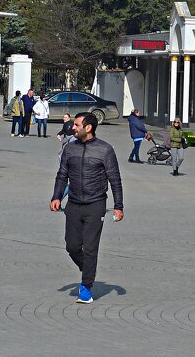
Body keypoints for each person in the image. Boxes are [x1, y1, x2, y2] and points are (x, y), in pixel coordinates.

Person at [50, 112, 124, 304]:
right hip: (73, 203)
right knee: (72, 246)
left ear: (88, 128)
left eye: (76, 125)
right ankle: (89, 269)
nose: (73, 128)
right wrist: (57, 196)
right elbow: (62, 175)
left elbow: (114, 179)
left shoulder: (105, 150)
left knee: (90, 248)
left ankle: (86, 287)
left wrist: (118, 206)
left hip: (95, 204)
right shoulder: (69, 149)